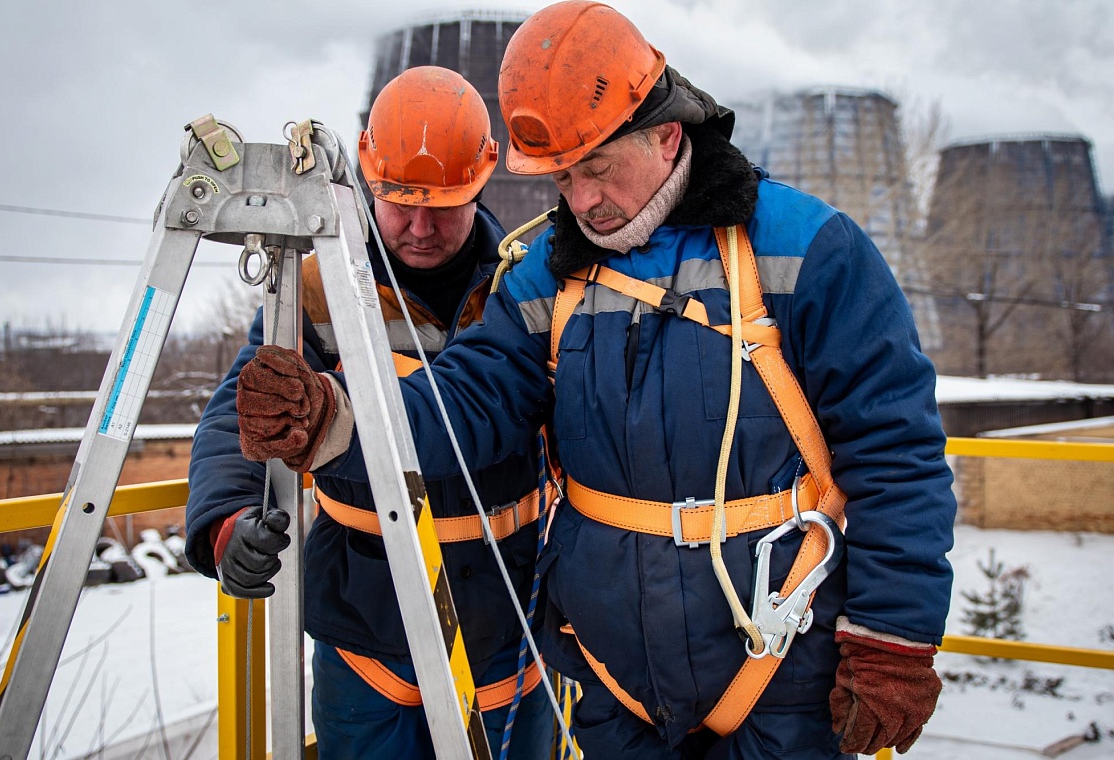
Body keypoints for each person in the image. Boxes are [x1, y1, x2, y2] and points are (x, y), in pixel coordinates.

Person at [233, 2, 959, 758]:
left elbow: (895, 453)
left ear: (667, 133)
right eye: (563, 178)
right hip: (618, 690)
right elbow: (470, 399)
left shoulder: (808, 250)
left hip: (780, 679)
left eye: (597, 169)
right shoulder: (550, 272)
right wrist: (338, 422)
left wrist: (891, 640)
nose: (580, 202)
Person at [184, 66, 554, 760]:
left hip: (503, 624)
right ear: (366, 176)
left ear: (483, 178)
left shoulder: (523, 287)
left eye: (443, 204)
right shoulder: (322, 292)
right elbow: (244, 412)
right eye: (398, 201)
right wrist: (225, 520)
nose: (418, 227)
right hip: (363, 631)